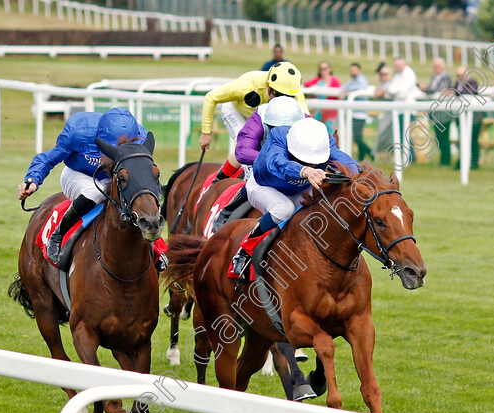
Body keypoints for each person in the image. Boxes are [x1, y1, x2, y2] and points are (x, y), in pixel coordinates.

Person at [17, 108, 165, 268]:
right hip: (77, 174)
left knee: (135, 199)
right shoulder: (78, 132)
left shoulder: (139, 137)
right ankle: (58, 234)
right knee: (96, 193)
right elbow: (48, 159)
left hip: (113, 178)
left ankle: (155, 245)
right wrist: (32, 180)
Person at [231, 118, 359, 281]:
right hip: (264, 186)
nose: (312, 165)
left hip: (298, 189)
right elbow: (277, 163)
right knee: (284, 209)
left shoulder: (323, 141)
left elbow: (347, 162)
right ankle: (244, 253)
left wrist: (359, 174)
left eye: (314, 162)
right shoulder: (278, 138)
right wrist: (305, 171)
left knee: (328, 200)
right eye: (305, 160)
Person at [200, 62, 309, 183]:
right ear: (268, 86)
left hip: (260, 119)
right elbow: (211, 97)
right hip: (236, 112)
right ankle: (221, 182)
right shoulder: (246, 85)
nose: (283, 101)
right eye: (278, 96)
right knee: (246, 147)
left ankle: (222, 177)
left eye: (288, 97)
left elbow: (306, 122)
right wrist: (206, 133)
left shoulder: (293, 91)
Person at [211, 96, 306, 232]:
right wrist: (269, 162)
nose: (280, 133)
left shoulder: (304, 119)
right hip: (262, 153)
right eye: (275, 128)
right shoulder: (260, 116)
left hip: (286, 155)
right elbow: (242, 152)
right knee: (255, 178)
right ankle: (226, 211)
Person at [419, 58, 452, 167]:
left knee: (443, 138)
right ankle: (443, 161)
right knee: (439, 138)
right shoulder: (435, 76)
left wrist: (425, 89)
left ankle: (445, 161)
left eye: (437, 66)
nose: (435, 68)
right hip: (435, 112)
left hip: (443, 112)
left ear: (443, 67)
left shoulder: (446, 77)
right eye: (434, 66)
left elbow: (436, 90)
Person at [339, 63, 372, 161]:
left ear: (359, 70)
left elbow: (361, 88)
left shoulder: (361, 80)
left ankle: (370, 152)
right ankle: (362, 157)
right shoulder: (353, 81)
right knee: (357, 137)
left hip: (360, 113)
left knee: (358, 137)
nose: (352, 72)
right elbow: (345, 87)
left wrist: (347, 92)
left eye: (354, 70)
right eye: (351, 70)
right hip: (354, 113)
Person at [454, 66, 482, 170]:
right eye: (457, 76)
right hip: (461, 115)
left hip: (474, 117)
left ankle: (474, 163)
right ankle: (462, 162)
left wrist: (455, 92)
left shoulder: (473, 82)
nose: (458, 78)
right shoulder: (457, 83)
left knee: (473, 140)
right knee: (462, 139)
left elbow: (469, 92)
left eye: (460, 75)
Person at [303, 61, 341, 132]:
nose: (323, 71)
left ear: (329, 69)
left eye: (325, 69)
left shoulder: (334, 80)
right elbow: (306, 84)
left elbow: (338, 94)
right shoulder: (318, 80)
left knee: (331, 133)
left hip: (331, 113)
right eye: (321, 69)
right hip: (319, 113)